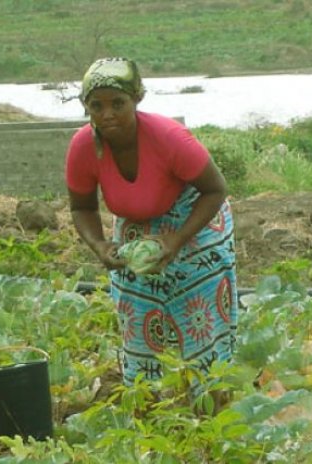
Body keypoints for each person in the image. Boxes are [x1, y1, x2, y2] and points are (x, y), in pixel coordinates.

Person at [64, 57, 237, 387]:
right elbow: (81, 208)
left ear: (137, 99)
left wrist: (176, 240)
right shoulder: (84, 146)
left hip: (194, 216)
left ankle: (208, 395)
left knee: (198, 313)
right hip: (134, 221)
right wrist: (100, 245)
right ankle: (148, 396)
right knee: (138, 313)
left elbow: (215, 190)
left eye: (118, 103)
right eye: (96, 106)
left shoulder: (169, 137)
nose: (107, 114)